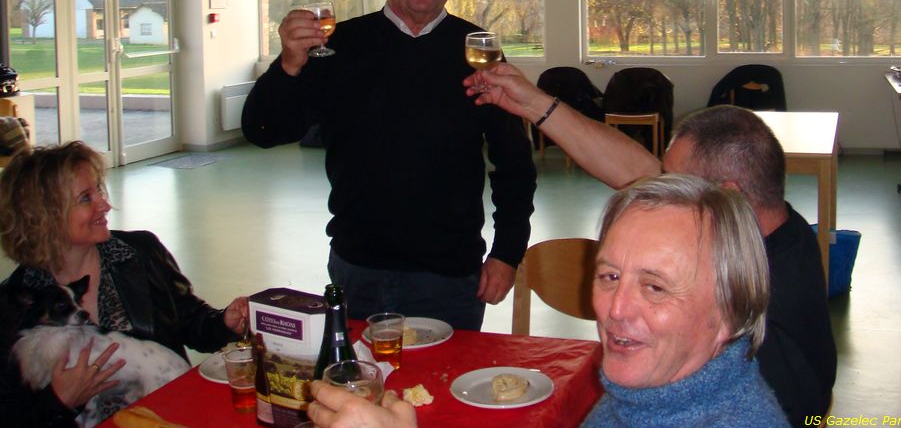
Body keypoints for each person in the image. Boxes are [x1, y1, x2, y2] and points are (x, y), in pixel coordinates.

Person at [463, 62, 836, 426]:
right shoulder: (770, 228)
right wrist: (533, 103)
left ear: (729, 198)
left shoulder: (758, 316)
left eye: (675, 184)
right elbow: (637, 172)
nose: (618, 309)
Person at [242, 0, 537, 331]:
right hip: (357, 268)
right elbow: (264, 132)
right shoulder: (338, 48)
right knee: (359, 372)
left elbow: (515, 164)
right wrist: (288, 65)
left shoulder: (478, 52)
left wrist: (507, 253)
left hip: (451, 275)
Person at [302, 174, 788, 428]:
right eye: (610, 276)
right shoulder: (649, 395)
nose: (615, 309)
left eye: (655, 287)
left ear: (730, 312)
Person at [0, 141, 247, 428]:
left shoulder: (141, 253)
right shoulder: (12, 306)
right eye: (85, 198)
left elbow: (191, 322)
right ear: (43, 218)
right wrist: (57, 401)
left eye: (99, 190)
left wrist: (224, 323)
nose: (105, 204)